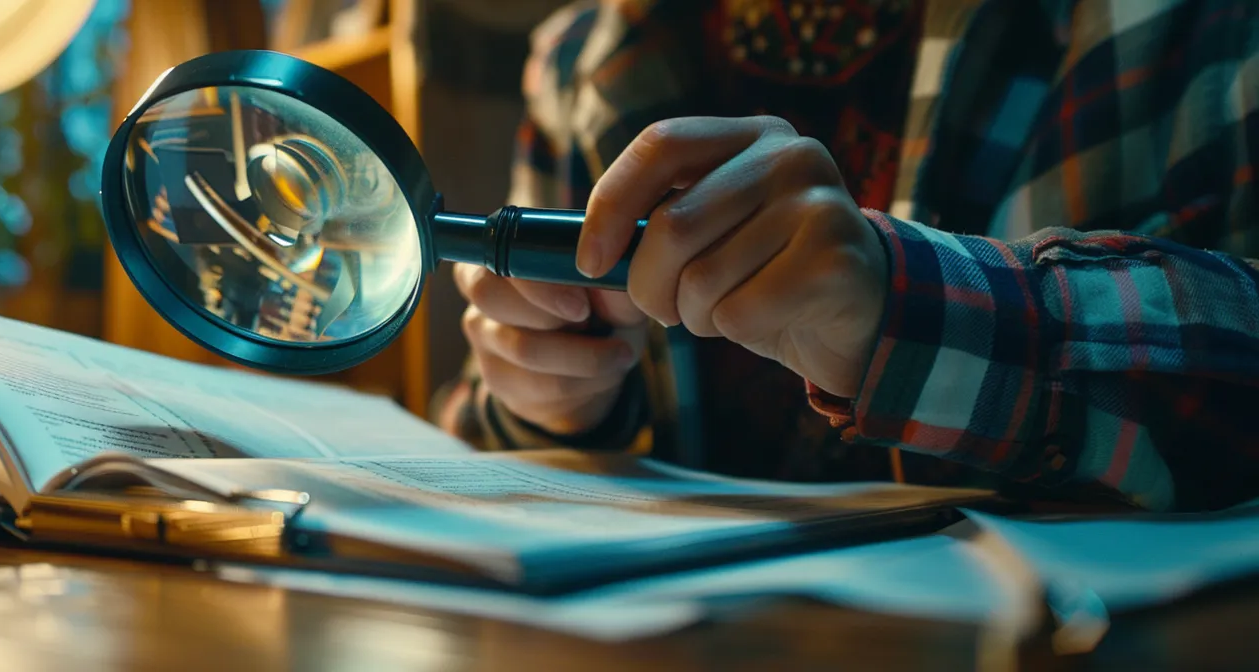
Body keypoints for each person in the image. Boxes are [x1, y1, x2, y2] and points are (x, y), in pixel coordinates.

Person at [433, 0, 1259, 512]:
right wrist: (549, 407)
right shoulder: (578, 62)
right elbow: (489, 418)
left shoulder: (1192, 23)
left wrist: (913, 310)